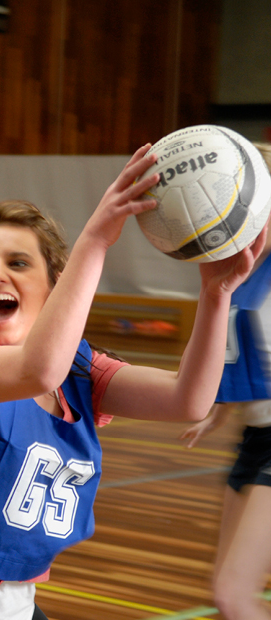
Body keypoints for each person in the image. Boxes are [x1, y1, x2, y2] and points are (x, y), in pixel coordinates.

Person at [0, 145, 268, 620]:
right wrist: (96, 239)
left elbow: (189, 399)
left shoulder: (80, 371)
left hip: (10, 605)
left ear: (55, 284)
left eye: (17, 263)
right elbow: (36, 371)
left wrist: (215, 293)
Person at [179, 144, 271, 620]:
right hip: (255, 438)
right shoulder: (241, 278)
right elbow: (245, 359)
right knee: (228, 594)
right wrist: (219, 409)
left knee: (235, 597)